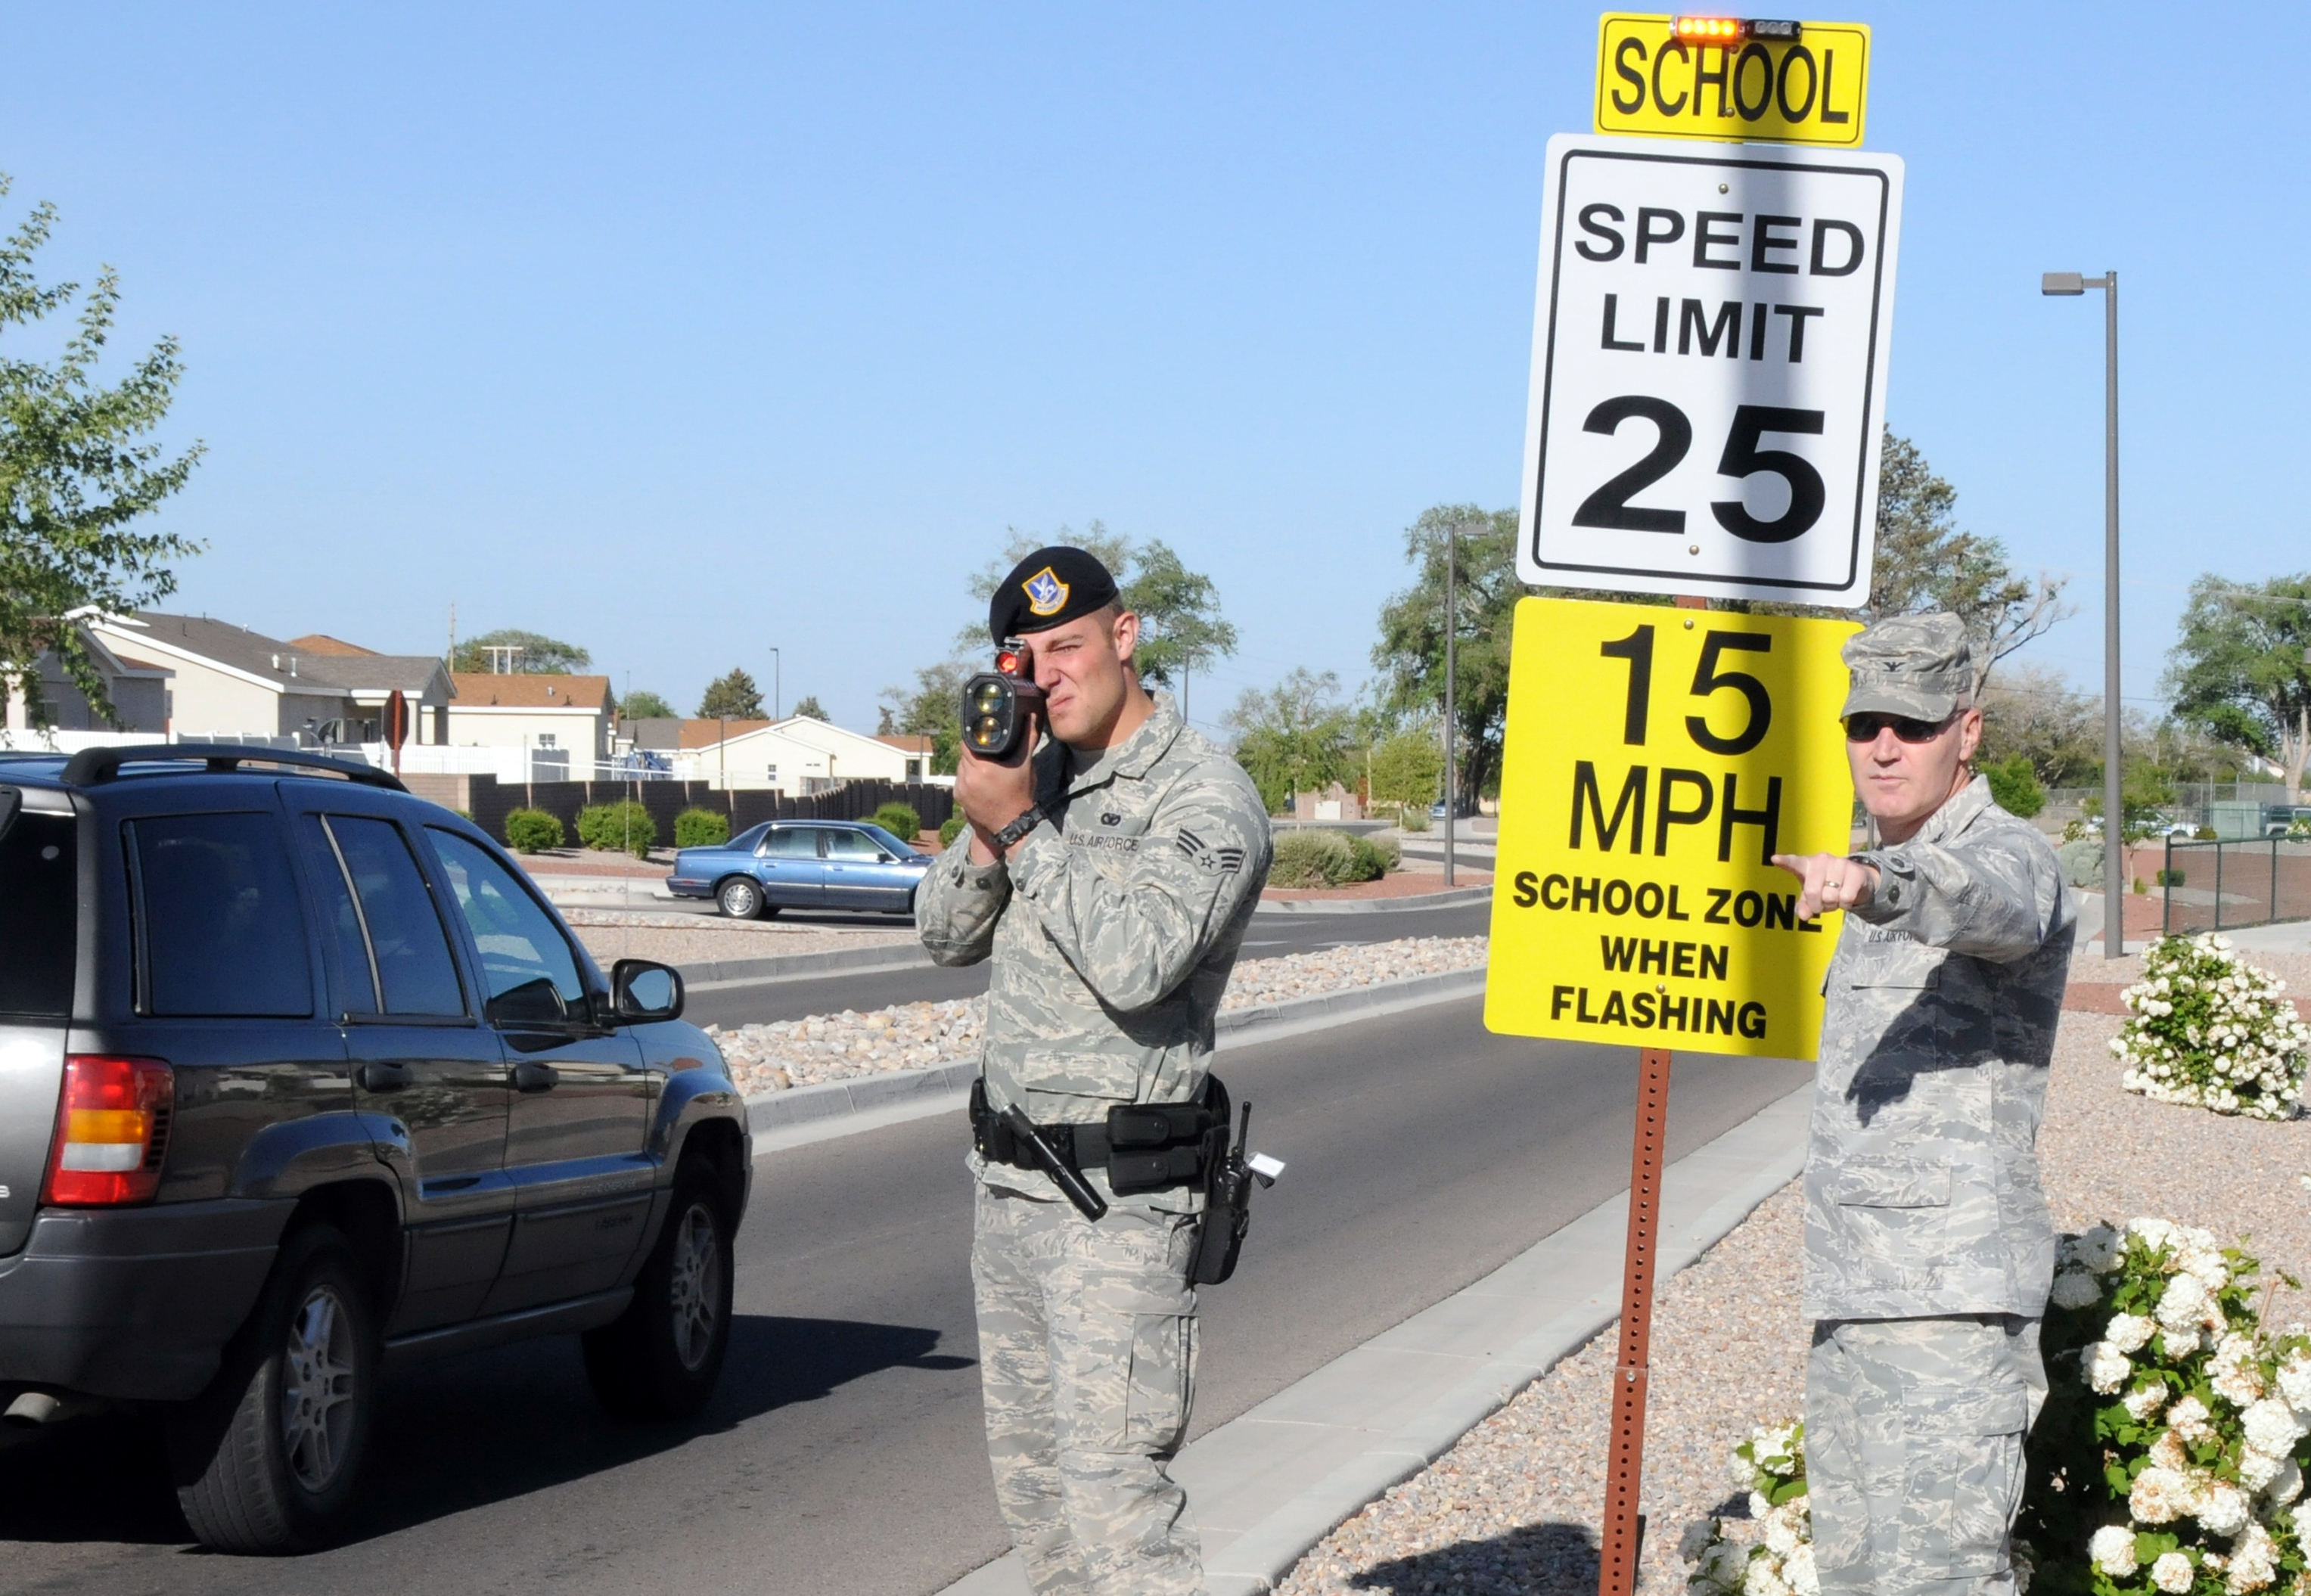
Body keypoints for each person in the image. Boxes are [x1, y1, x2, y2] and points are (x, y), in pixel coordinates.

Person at [916, 545, 1273, 1596]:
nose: (1046, 674)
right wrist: (991, 824)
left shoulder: (1204, 796)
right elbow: (941, 932)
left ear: (1127, 637)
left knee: (1120, 1515)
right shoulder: (1038, 775)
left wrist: (1019, 826)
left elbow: (1139, 962)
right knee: (1040, 1516)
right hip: (1010, 1191)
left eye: (1067, 646)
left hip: (1119, 1211)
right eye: (1023, 655)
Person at [1770, 612, 2073, 1596]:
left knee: (1941, 1578)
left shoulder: (2003, 854)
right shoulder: (1879, 864)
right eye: (1865, 724)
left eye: (1912, 721)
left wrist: (1874, 881)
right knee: (1859, 1578)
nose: (1884, 745)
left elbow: (1987, 899)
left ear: (1968, 730)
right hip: (1860, 1294)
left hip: (1947, 1306)